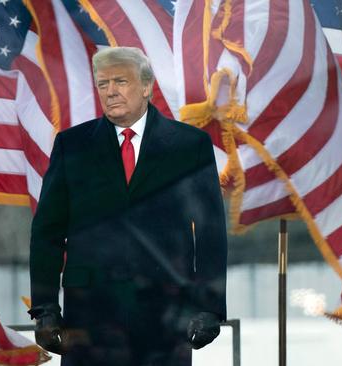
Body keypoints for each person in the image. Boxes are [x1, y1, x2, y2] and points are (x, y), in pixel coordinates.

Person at [28, 46, 228, 366]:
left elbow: (210, 233)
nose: (110, 92)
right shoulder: (72, 145)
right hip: (89, 317)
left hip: (165, 315)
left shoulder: (190, 146)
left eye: (120, 82)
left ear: (146, 87)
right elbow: (47, 233)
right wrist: (45, 309)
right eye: (103, 84)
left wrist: (209, 306)